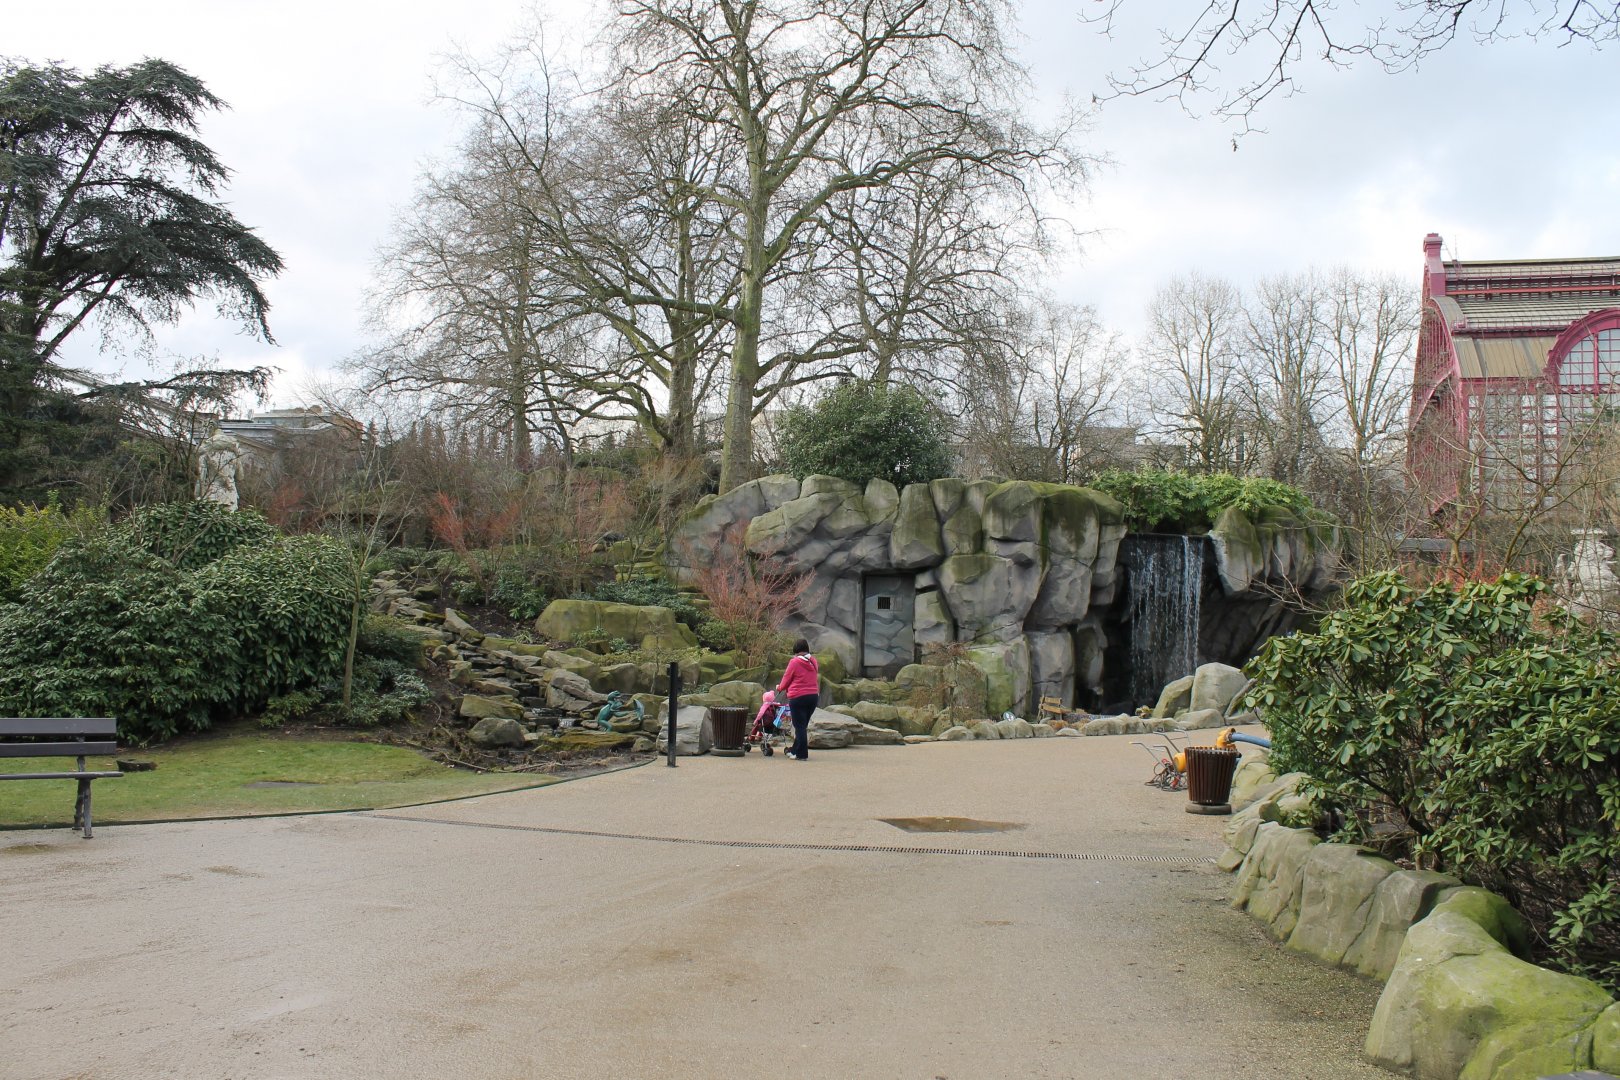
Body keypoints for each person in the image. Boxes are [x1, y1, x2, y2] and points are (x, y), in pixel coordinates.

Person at [776, 638, 820, 761]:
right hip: (813, 697)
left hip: (798, 697)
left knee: (799, 726)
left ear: (796, 650)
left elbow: (786, 678)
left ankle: (802, 754)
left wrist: (779, 687)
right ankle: (794, 750)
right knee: (802, 726)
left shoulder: (794, 662)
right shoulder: (813, 661)